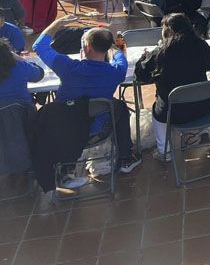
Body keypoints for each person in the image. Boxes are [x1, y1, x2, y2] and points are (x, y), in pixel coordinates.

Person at [33, 16, 141, 175]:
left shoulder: (68, 67)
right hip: (97, 131)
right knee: (119, 107)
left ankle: (67, 165)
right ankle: (126, 156)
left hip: (66, 129)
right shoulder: (116, 72)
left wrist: (57, 23)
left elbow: (39, 46)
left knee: (115, 106)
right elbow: (119, 55)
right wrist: (111, 44)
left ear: (87, 47)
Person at [134, 13, 210, 161]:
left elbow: (141, 75)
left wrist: (144, 57)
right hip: (203, 107)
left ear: (167, 31)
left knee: (157, 110)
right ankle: (197, 135)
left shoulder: (161, 53)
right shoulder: (199, 45)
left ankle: (164, 150)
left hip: (172, 112)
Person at [0, 38, 43, 104]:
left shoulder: (19, 67)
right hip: (23, 111)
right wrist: (20, 59)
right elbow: (39, 74)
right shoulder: (20, 67)